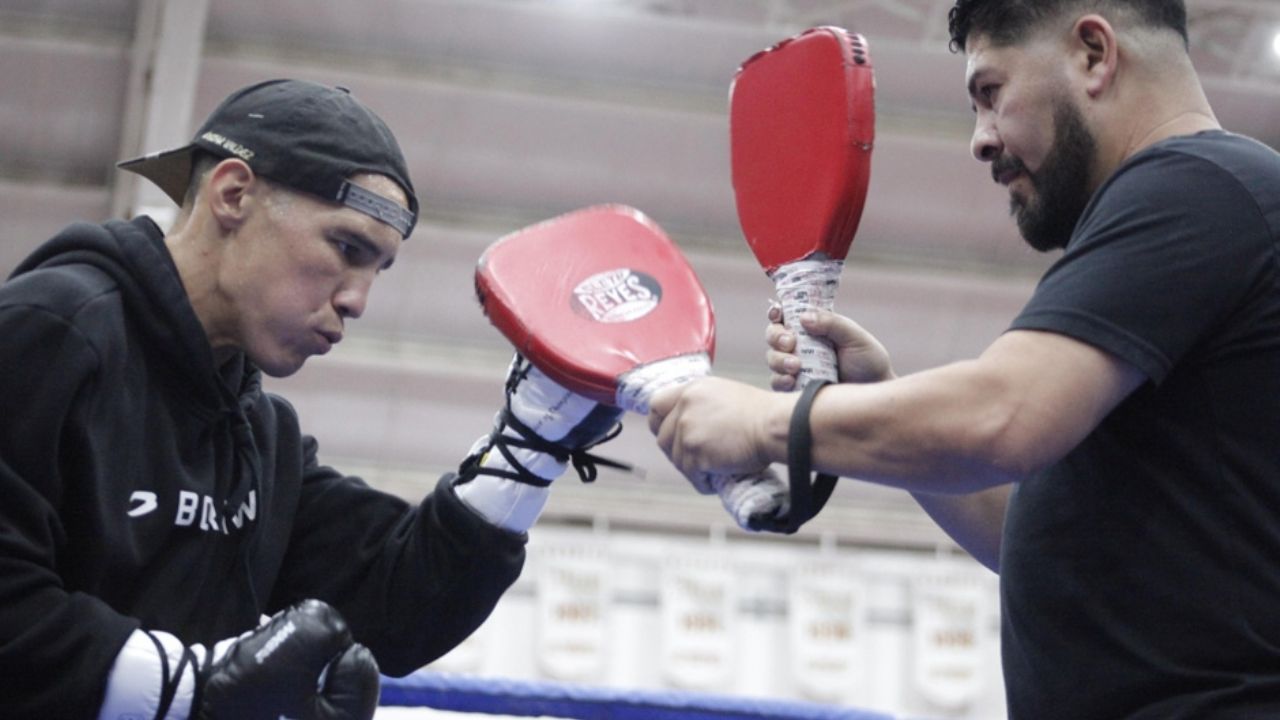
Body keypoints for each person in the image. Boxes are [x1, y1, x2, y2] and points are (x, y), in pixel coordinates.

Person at [648, 1, 1280, 717]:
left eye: (990, 92)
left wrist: (763, 423)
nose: (980, 140)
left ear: (1093, 54)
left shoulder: (1197, 189)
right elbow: (1038, 539)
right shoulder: (1202, 213)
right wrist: (874, 391)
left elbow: (1000, 418)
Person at [0, 78, 621, 720]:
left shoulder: (258, 438)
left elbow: (399, 601)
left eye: (377, 268)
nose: (358, 300)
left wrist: (529, 444)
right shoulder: (51, 332)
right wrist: (197, 687)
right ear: (233, 195)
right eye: (346, 248)